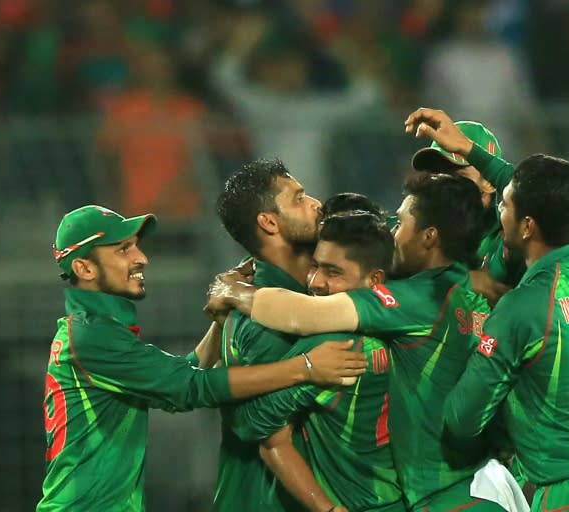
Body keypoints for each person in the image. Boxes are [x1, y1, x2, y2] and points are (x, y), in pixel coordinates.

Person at [403, 108, 569, 511]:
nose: (441, 192)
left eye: (457, 179)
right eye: (433, 181)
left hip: (559, 487)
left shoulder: (520, 292)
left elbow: (462, 419)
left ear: (495, 196)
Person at [209, 174, 513, 512]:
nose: (394, 234)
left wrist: (233, 291)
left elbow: (306, 315)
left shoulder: (400, 308)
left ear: (429, 237)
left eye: (402, 224)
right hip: (485, 483)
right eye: (316, 266)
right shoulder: (472, 293)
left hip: (446, 495)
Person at [38, 204, 366, 512]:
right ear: (84, 267)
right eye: (123, 249)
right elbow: (191, 387)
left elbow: (181, 375)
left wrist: (220, 321)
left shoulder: (93, 331)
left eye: (136, 245)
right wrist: (305, 368)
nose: (141, 258)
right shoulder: (93, 337)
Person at [232, 211, 405, 512]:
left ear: (374, 279)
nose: (316, 282)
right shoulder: (416, 322)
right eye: (315, 266)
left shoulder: (336, 346)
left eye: (333, 272)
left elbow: (254, 427)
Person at [213, 157, 332, 512]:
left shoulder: (298, 296)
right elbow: (267, 434)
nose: (315, 204)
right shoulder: (262, 323)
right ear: (268, 222)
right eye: (299, 198)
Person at [411, 119, 525, 305]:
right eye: (436, 176)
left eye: (457, 177)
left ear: (489, 182)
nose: (443, 187)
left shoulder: (512, 239)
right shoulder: (415, 225)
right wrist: (465, 280)